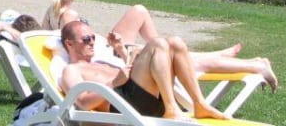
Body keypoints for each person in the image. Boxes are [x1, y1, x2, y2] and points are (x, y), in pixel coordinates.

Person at [42, 0, 278, 90]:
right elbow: (76, 46)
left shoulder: (49, 14)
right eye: (87, 37)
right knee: (175, 55)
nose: (88, 39)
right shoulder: (69, 18)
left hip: (112, 54)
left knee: (140, 11)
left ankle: (173, 50)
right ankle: (248, 62)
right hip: (111, 58)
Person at [60, 18, 227, 120]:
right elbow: (81, 102)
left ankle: (199, 104)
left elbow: (130, 76)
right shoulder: (71, 70)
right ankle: (171, 108)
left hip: (139, 99)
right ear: (69, 43)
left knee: (175, 42)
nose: (92, 42)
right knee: (158, 44)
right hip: (121, 108)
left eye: (93, 38)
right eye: (86, 39)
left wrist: (121, 51)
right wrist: (113, 83)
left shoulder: (102, 62)